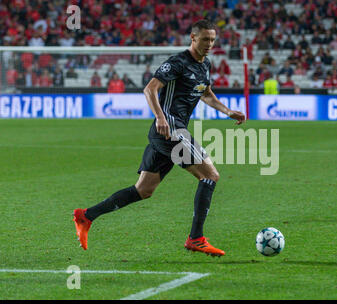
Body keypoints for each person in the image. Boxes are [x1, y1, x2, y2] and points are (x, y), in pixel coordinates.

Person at [73, 20, 246, 257]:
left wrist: (228, 111)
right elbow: (150, 89)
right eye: (205, 39)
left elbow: (206, 94)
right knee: (210, 175)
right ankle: (196, 239)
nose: (209, 44)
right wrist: (160, 117)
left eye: (213, 40)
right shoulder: (177, 62)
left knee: (144, 190)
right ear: (192, 38)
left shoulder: (205, 65)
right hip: (170, 129)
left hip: (167, 132)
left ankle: (86, 216)